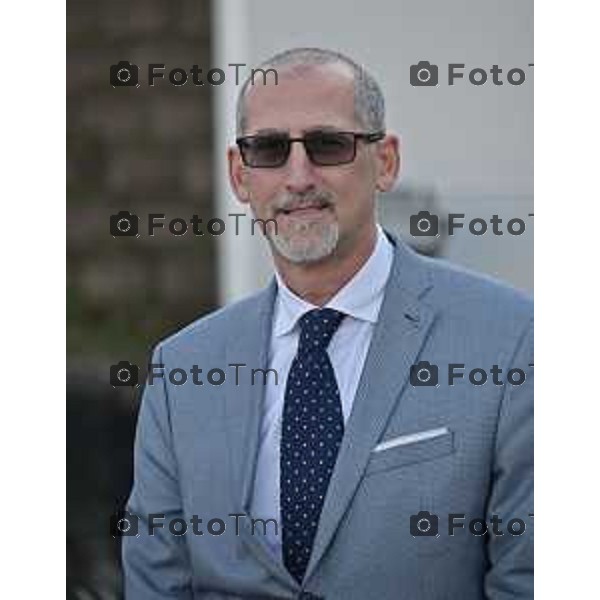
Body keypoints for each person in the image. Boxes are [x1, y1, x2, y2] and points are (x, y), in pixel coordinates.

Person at [122, 47, 533, 599]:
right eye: (268, 149)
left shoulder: (509, 339)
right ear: (240, 176)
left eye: (328, 144)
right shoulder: (183, 370)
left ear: (384, 161)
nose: (298, 176)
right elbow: (157, 582)